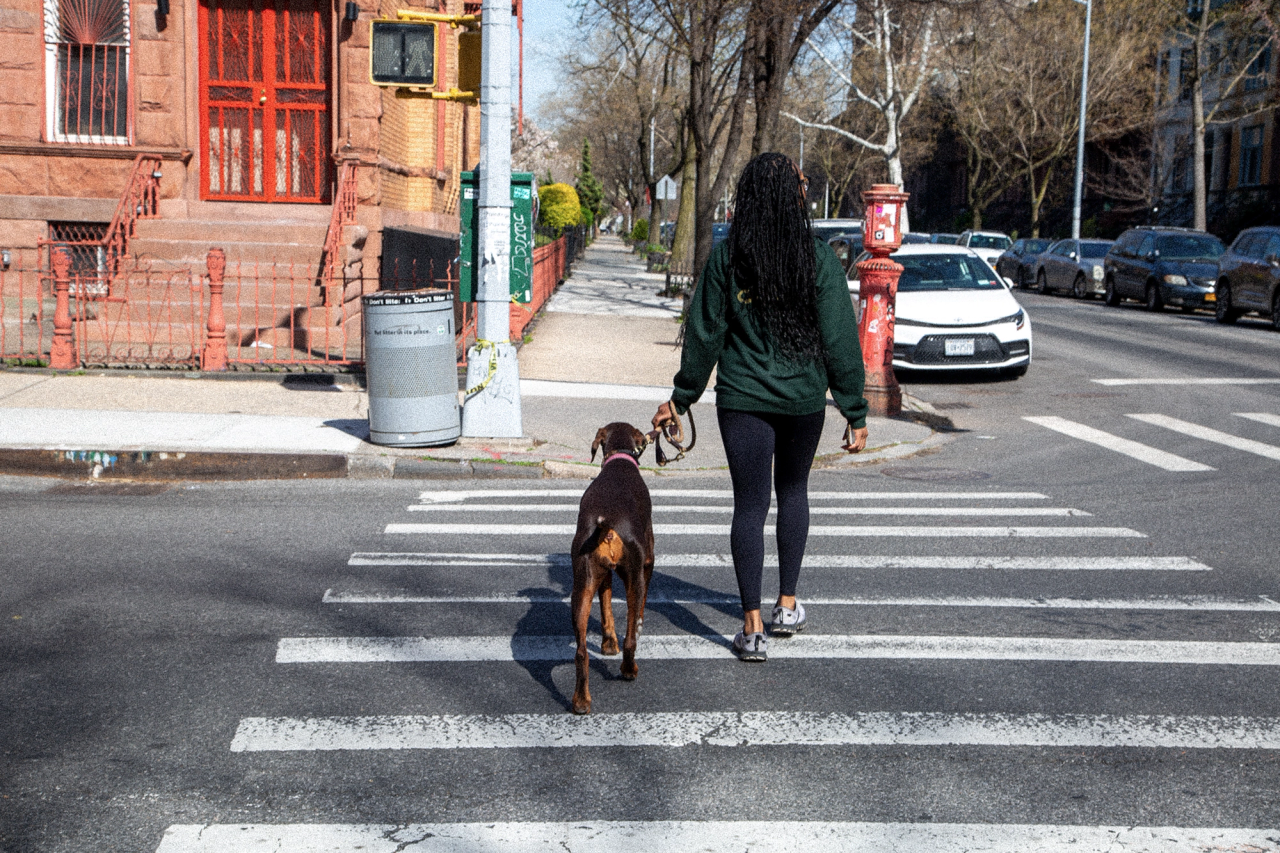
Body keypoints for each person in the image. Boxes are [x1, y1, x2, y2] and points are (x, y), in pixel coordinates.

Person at [651, 153, 869, 663]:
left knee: (749, 506)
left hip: (742, 400)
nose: (806, 188)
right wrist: (854, 411)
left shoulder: (729, 259)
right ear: (792, 196)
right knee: (793, 492)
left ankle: (751, 629)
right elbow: (841, 341)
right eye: (801, 183)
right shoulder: (817, 260)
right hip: (802, 401)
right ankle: (787, 605)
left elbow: (705, 334)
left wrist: (681, 398)